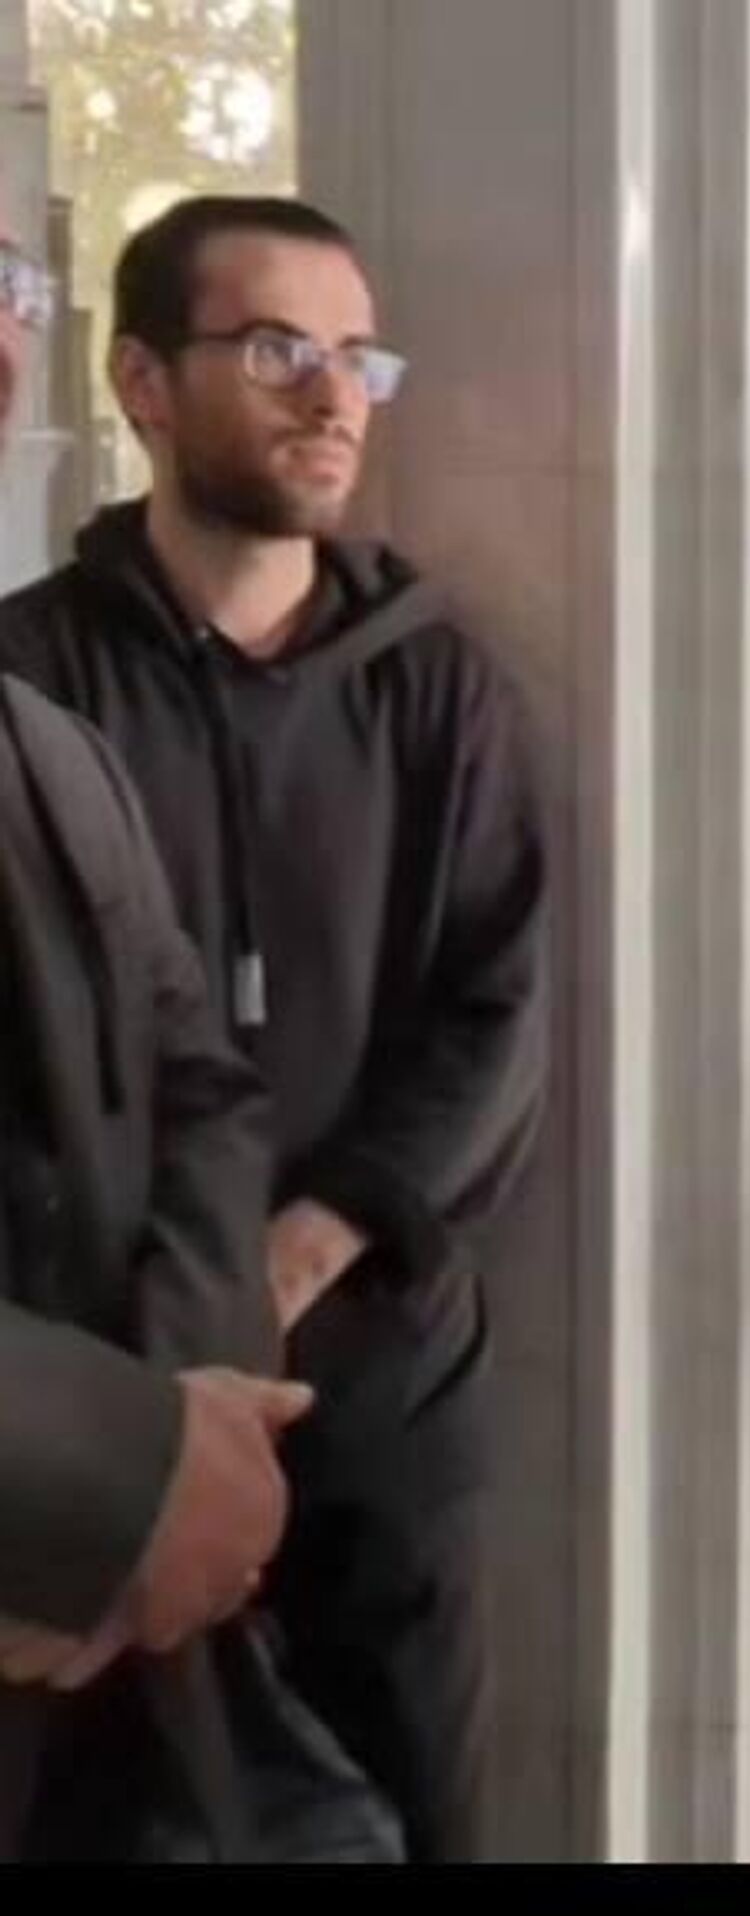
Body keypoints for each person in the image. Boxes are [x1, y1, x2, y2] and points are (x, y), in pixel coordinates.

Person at [0, 195, 549, 1862]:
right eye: (275, 350)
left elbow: (493, 1016)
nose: (333, 396)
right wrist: (178, 1351)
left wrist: (302, 1251)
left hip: (376, 1363)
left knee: (408, 1804)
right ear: (144, 385)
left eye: (357, 356)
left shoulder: (437, 681)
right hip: (105, 1386)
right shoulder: (39, 683)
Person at [0, 221, 312, 1859]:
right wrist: (115, 1471)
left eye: (3, 287)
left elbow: (199, 1096)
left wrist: (192, 1419)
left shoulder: (51, 748)